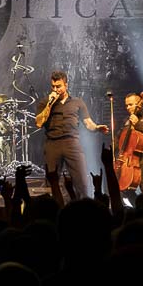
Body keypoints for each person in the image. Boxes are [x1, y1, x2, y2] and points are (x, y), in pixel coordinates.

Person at [34, 70, 109, 200]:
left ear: (66, 85)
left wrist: (97, 128)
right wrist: (49, 104)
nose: (56, 89)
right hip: (52, 144)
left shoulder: (77, 102)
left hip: (72, 143)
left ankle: (83, 205)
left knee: (81, 182)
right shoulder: (45, 102)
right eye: (53, 86)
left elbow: (88, 123)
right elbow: (39, 123)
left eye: (59, 86)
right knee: (52, 182)